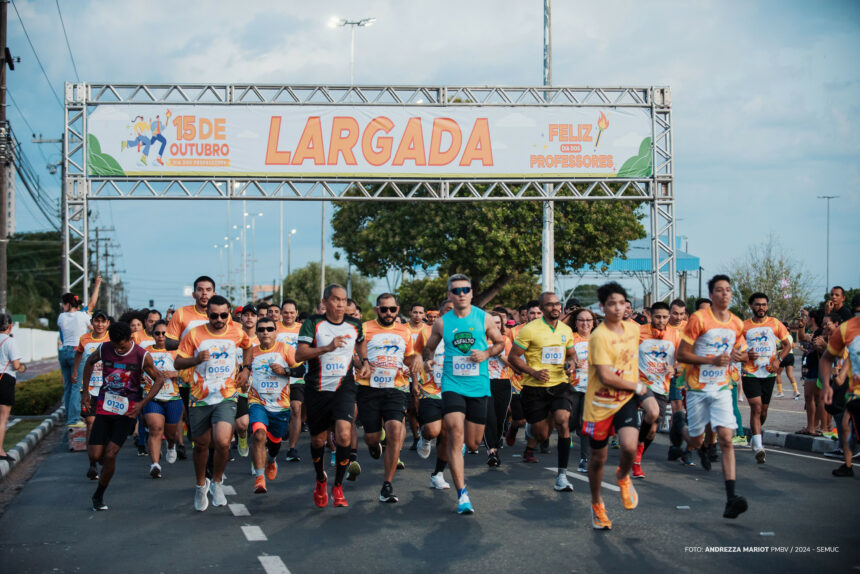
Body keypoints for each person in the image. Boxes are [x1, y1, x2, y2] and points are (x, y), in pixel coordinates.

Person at [421, 275, 505, 514]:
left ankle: (460, 484)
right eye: (456, 290)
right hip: (452, 384)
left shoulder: (484, 318)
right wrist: (427, 361)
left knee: (473, 442)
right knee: (455, 435)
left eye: (465, 289)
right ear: (449, 295)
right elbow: (429, 348)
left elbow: (499, 343)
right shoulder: (442, 323)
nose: (461, 293)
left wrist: (487, 353)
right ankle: (462, 494)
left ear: (471, 293)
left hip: (478, 386)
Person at [671, 275, 749, 519]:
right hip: (697, 388)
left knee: (726, 438)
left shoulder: (737, 323)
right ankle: (680, 427)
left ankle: (731, 498)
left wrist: (740, 356)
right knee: (695, 439)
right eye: (719, 290)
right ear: (712, 294)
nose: (725, 294)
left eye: (728, 290)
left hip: (723, 387)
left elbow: (744, 354)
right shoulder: (699, 319)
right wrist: (711, 360)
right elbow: (682, 354)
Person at [174, 295, 251, 512]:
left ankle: (217, 482)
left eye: (224, 315)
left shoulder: (236, 330)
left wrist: (246, 369)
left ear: (229, 314)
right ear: (207, 314)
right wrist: (195, 360)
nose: (219, 319)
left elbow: (248, 347)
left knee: (223, 442)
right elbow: (178, 362)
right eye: (214, 315)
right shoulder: (195, 334)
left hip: (227, 395)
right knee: (201, 445)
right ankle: (200, 486)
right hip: (200, 398)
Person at [295, 284, 368, 508]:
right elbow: (299, 354)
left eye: (344, 300)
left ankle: (337, 486)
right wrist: (326, 348)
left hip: (343, 387)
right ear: (325, 302)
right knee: (318, 440)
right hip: (317, 389)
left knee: (344, 435)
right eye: (336, 300)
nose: (340, 304)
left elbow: (361, 341)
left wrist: (364, 362)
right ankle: (320, 480)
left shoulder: (354, 324)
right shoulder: (313, 323)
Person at [582, 282, 646, 530]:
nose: (618, 308)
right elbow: (607, 377)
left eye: (621, 303)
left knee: (630, 446)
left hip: (624, 400)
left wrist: (642, 392)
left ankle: (622, 475)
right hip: (598, 404)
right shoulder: (599, 336)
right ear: (602, 307)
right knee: (598, 458)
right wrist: (639, 388)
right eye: (611, 303)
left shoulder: (633, 330)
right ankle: (597, 504)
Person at [81, 321, 165, 510]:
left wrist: (143, 403)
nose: (118, 349)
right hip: (104, 407)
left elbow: (159, 379)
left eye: (122, 345)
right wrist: (85, 392)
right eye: (115, 346)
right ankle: (103, 459)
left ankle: (98, 495)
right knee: (95, 455)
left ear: (131, 339)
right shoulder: (104, 349)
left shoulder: (141, 356)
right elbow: (89, 362)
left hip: (128, 411)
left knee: (111, 454)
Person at [508, 292, 577, 491]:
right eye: (550, 305)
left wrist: (570, 363)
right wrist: (533, 371)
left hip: (559, 384)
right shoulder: (530, 330)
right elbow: (514, 357)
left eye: (557, 304)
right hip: (534, 387)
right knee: (541, 435)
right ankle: (533, 426)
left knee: (563, 420)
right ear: (542, 307)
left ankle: (562, 475)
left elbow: (571, 354)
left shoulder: (566, 330)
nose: (555, 308)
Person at [356, 294, 419, 503]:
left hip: (396, 387)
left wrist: (416, 360)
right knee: (372, 437)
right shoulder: (365, 328)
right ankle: (375, 445)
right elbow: (353, 353)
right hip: (369, 388)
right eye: (384, 310)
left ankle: (387, 485)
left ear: (397, 309)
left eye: (392, 309)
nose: (389, 314)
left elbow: (409, 356)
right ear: (377, 310)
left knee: (394, 430)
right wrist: (362, 364)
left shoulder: (404, 330)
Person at [742, 292, 792, 463]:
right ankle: (759, 447)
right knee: (755, 408)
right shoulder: (744, 326)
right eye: (757, 304)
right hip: (750, 372)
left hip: (769, 371)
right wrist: (746, 354)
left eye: (764, 304)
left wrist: (779, 360)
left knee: (762, 411)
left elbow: (787, 345)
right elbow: (736, 349)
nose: (761, 307)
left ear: (767, 306)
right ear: (751, 306)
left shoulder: (775, 324)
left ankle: (754, 436)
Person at [248, 316, 296, 493]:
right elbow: (243, 370)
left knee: (275, 442)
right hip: (257, 401)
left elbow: (301, 369)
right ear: (257, 333)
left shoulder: (286, 349)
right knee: (259, 435)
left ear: (276, 332)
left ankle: (272, 459)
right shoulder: (251, 352)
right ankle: (260, 478)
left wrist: (285, 371)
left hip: (280, 405)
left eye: (269, 329)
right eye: (261, 329)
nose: (265, 332)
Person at [634, 301, 680, 479]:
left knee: (653, 430)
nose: (661, 321)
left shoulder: (675, 335)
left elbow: (682, 361)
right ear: (650, 316)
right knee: (652, 413)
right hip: (640, 384)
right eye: (658, 317)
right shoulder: (638, 331)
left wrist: (675, 369)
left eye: (665, 317)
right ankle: (636, 460)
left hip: (662, 386)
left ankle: (636, 455)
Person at [416, 299, 454, 490]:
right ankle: (424, 437)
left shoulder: (468, 332)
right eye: (448, 310)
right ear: (440, 314)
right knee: (433, 430)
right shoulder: (426, 331)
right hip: (431, 389)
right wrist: (423, 364)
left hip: (454, 389)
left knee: (447, 433)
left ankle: (438, 474)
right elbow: (415, 354)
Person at [57, 277, 102, 425]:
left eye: (63, 303)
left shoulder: (61, 317)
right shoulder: (83, 315)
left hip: (63, 352)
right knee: (78, 386)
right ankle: (74, 419)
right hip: (77, 352)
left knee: (68, 387)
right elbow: (92, 304)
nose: (62, 306)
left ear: (68, 304)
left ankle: (69, 418)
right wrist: (97, 286)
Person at [141, 320, 181, 478]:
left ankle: (171, 446)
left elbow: (188, 372)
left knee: (171, 434)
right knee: (155, 428)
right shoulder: (145, 352)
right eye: (157, 333)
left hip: (173, 398)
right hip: (152, 397)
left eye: (164, 333)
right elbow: (138, 370)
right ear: (153, 335)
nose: (161, 336)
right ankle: (155, 464)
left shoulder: (176, 352)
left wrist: (174, 374)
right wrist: (140, 378)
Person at [74, 310, 111, 477]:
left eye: (103, 321)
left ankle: (101, 452)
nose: (100, 325)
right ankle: (92, 463)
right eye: (97, 321)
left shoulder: (112, 338)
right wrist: (75, 371)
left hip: (109, 389)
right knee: (90, 423)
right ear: (92, 322)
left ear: (108, 323)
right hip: (90, 388)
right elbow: (79, 353)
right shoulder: (85, 339)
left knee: (105, 425)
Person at [821, 314, 859, 477]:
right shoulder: (849, 334)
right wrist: (832, 382)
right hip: (856, 392)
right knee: (844, 424)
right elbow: (831, 359)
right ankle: (848, 465)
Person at [565, 308, 594, 473]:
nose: (585, 323)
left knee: (585, 424)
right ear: (576, 323)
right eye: (581, 320)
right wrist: (571, 365)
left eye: (588, 320)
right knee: (571, 422)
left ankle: (585, 458)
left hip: (592, 388)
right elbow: (561, 361)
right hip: (573, 387)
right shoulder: (571, 339)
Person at [276, 299, 305, 463]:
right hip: (277, 377)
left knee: (296, 408)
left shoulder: (302, 330)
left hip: (297, 376)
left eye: (291, 312)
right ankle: (275, 437)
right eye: (285, 312)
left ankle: (292, 448)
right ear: (281, 313)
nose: (288, 315)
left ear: (296, 313)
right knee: (278, 411)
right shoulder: (274, 329)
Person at [484, 311, 513, 468]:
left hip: (502, 382)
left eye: (498, 323)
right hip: (484, 382)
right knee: (489, 418)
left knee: (500, 418)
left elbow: (513, 363)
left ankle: (496, 443)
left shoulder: (506, 340)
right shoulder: (480, 340)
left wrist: (499, 354)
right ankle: (492, 452)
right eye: (492, 322)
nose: (495, 325)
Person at [0, 313, 26, 461]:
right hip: (5, 380)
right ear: (10, 326)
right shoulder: (10, 342)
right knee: (3, 418)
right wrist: (23, 368)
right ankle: (0, 451)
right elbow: (16, 366)